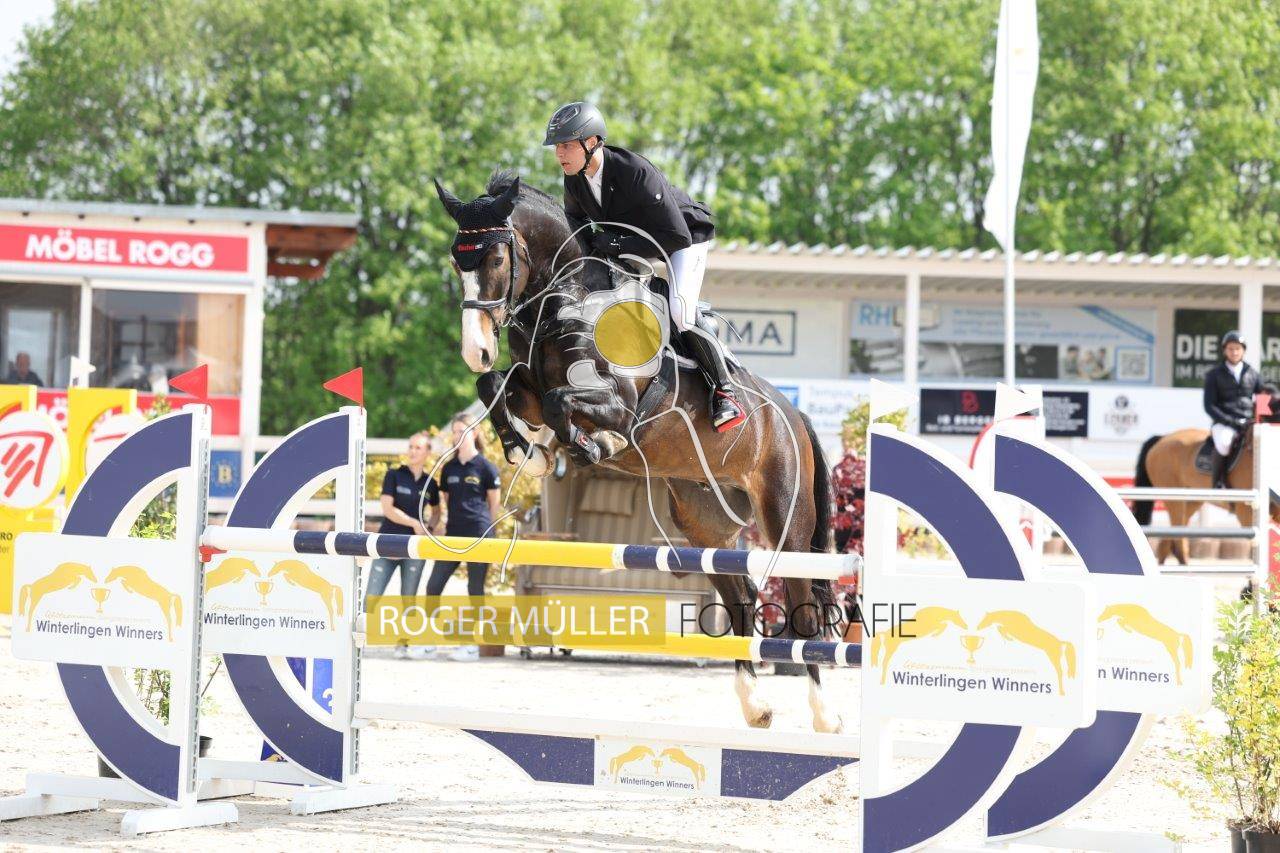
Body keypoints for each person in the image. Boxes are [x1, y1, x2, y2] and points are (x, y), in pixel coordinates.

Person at [543, 100, 745, 432]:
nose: (559, 154)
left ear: (591, 142)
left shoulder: (633, 171)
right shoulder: (575, 180)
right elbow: (578, 230)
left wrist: (615, 245)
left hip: (684, 238)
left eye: (566, 145)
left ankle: (725, 390)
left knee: (680, 311)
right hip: (636, 244)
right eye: (557, 147)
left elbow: (675, 236)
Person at [425, 413, 502, 661]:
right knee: (433, 586)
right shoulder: (448, 468)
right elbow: (447, 501)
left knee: (474, 589)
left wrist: (487, 531)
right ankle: (428, 641)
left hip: (480, 534)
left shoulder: (486, 467)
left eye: (462, 431)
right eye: (455, 432)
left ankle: (471, 646)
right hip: (453, 535)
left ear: (474, 433)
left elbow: (494, 505)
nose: (457, 436)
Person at [366, 431, 433, 660]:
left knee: (409, 598)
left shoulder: (431, 483)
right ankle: (356, 641)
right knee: (372, 596)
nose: (412, 451)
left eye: (418, 447)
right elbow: (387, 509)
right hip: (387, 545)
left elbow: (437, 510)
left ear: (427, 453)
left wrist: (429, 527)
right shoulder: (393, 475)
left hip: (415, 548)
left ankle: (403, 644)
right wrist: (414, 523)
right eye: (410, 446)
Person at [1203, 330, 1262, 488]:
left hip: (1248, 422)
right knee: (1224, 443)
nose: (1234, 352)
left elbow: (1262, 395)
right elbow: (1209, 406)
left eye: (1237, 348)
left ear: (1243, 350)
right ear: (1224, 350)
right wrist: (1230, 421)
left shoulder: (1253, 373)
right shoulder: (1214, 375)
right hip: (1224, 422)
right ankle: (1218, 482)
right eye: (1230, 349)